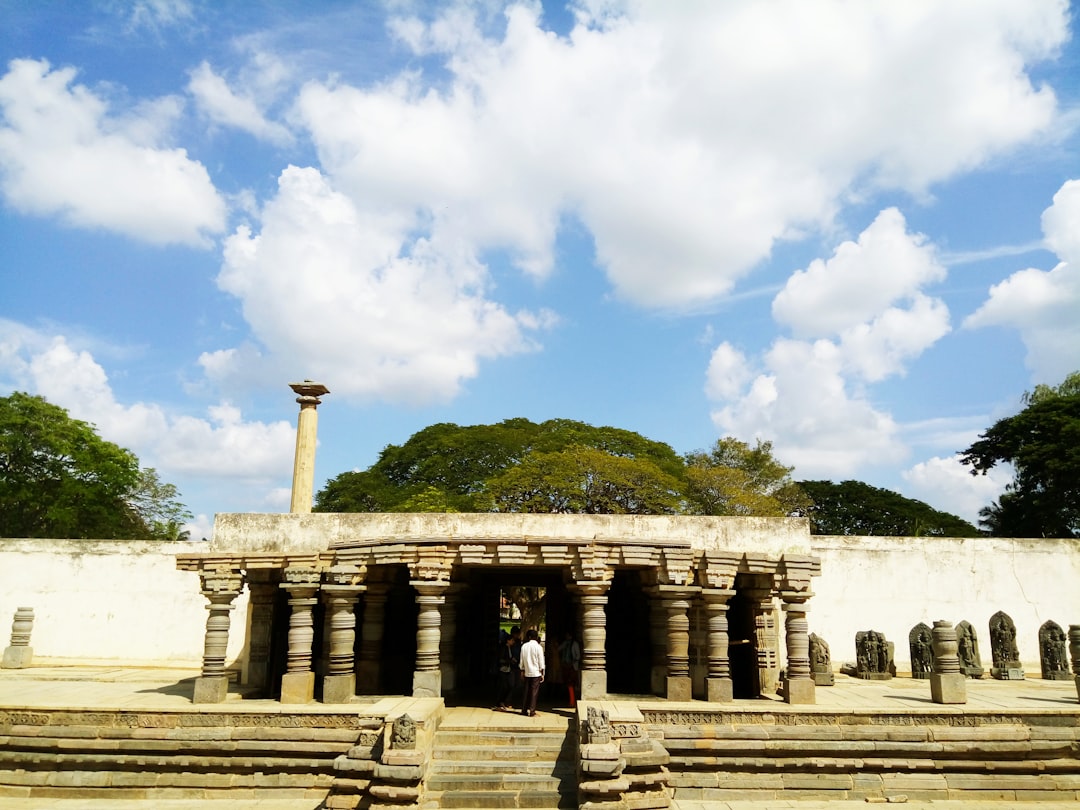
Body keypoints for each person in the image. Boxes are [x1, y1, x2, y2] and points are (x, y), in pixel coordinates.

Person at [519, 628, 545, 717]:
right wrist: (542, 672)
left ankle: (524, 709)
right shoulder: (538, 647)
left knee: (526, 691)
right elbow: (541, 661)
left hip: (527, 671)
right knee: (534, 692)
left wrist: (522, 670)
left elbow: (521, 660)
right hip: (536, 672)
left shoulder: (524, 646)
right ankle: (532, 711)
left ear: (529, 637)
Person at [495, 626, 521, 711]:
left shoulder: (511, 647)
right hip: (504, 669)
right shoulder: (504, 648)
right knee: (505, 686)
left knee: (510, 685)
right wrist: (510, 661)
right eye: (512, 640)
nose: (513, 641)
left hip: (509, 669)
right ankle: (502, 701)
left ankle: (503, 701)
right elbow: (501, 659)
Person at [558, 630, 580, 707]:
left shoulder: (575, 644)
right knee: (568, 684)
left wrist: (572, 663)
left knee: (572, 684)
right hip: (566, 665)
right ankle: (571, 700)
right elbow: (559, 649)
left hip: (572, 666)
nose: (566, 637)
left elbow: (578, 656)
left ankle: (572, 701)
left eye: (568, 635)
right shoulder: (565, 643)